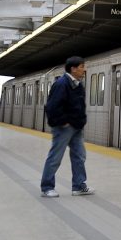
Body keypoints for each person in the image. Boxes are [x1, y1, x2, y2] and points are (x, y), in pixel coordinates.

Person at [40, 56, 93, 198]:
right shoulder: (62, 84)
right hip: (64, 127)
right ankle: (47, 187)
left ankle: (78, 186)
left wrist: (81, 121)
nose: (84, 70)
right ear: (73, 68)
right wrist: (63, 121)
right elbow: (51, 107)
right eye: (82, 67)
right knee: (55, 157)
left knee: (79, 156)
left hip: (76, 127)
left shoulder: (78, 84)